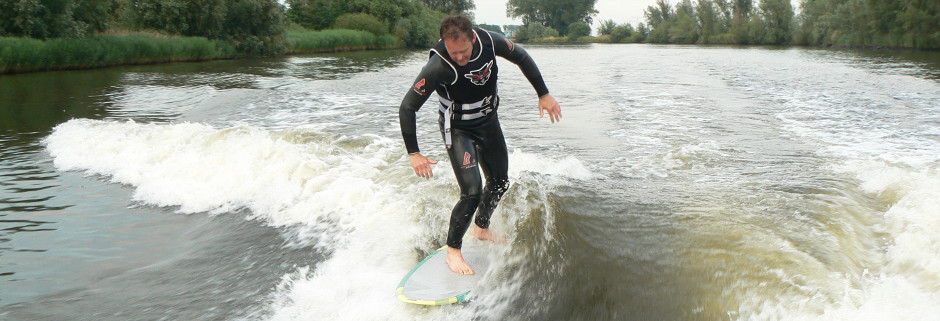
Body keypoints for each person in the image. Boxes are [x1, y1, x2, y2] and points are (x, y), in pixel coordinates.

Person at [399, 15, 561, 275]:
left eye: (463, 51)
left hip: (488, 122)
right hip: (459, 129)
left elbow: (521, 56)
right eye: (454, 53)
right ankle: (453, 250)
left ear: (472, 38)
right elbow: (407, 107)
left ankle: (482, 228)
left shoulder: (489, 41)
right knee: (472, 191)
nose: (460, 58)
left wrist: (543, 93)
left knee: (499, 181)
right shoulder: (439, 65)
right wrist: (414, 153)